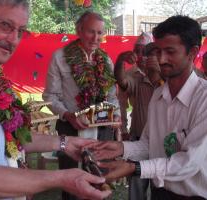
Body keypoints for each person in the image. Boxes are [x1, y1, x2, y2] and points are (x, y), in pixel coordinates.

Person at [0, 1, 112, 199]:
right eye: (5, 25)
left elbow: (9, 137)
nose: (13, 39)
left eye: (21, 31)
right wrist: (61, 179)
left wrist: (65, 143)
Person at [87, 15, 207, 200]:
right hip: (159, 192)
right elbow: (150, 145)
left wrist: (135, 167)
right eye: (158, 51)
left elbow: (189, 163)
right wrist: (121, 148)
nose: (161, 59)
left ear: (192, 53)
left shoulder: (203, 99)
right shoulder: (159, 95)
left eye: (170, 51)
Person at [42, 10, 120, 200]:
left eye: (100, 33)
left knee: (99, 180)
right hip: (70, 129)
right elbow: (50, 96)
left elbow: (112, 96)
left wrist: (116, 114)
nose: (96, 37)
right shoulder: (60, 57)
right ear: (79, 30)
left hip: (102, 131)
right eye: (90, 31)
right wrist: (68, 115)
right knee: (70, 186)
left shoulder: (106, 60)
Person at [115, 33, 162, 200]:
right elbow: (121, 100)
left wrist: (159, 73)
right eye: (139, 51)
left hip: (162, 142)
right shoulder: (134, 76)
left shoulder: (168, 78)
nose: (143, 56)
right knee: (136, 186)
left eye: (148, 52)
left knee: (160, 186)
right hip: (137, 137)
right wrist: (123, 129)